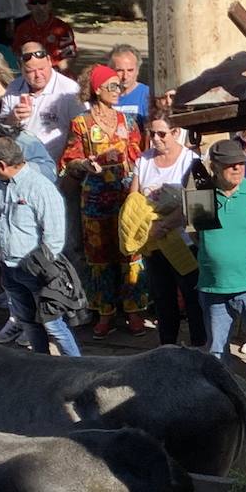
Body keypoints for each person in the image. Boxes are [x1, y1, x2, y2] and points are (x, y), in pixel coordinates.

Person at [61, 64, 147, 337]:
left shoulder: (130, 122)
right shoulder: (81, 123)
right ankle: (105, 312)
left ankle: (133, 310)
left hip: (125, 196)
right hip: (95, 199)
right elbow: (69, 161)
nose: (118, 91)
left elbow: (139, 159)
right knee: (99, 257)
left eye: (119, 87)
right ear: (97, 90)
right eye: (112, 87)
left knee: (130, 252)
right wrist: (85, 164)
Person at [0, 136, 80, 355]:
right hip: (7, 267)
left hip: (36, 270)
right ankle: (40, 363)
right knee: (27, 321)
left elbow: (54, 237)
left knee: (54, 325)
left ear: (2, 165)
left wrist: (38, 268)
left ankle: (77, 366)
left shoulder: (40, 186)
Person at [126, 110, 206, 347]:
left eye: (162, 134)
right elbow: (133, 199)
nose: (156, 139)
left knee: (192, 297)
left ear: (176, 132)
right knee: (163, 298)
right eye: (152, 134)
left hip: (182, 241)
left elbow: (194, 203)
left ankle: (198, 347)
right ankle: (167, 346)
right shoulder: (144, 160)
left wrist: (164, 225)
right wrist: (147, 229)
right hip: (154, 241)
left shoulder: (190, 161)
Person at [197, 138, 246, 363]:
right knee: (216, 351)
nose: (237, 168)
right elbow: (198, 236)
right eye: (230, 164)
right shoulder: (201, 195)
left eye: (241, 163)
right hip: (214, 287)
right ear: (214, 167)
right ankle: (222, 396)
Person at [0, 41, 83, 165]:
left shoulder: (69, 90)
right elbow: (2, 130)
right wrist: (12, 118)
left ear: (49, 61)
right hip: (19, 165)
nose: (38, 75)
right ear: (20, 68)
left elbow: (81, 131)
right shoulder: (14, 88)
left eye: (42, 69)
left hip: (54, 165)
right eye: (30, 71)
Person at [11, 0, 77, 70]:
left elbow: (70, 57)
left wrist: (53, 73)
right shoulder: (22, 29)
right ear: (28, 6)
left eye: (42, 2)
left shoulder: (62, 28)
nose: (39, 7)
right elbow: (17, 54)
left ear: (49, 4)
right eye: (34, 3)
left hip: (58, 74)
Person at [110, 44, 151, 125]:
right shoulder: (104, 94)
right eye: (120, 70)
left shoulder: (147, 95)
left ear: (137, 71)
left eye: (130, 70)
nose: (125, 76)